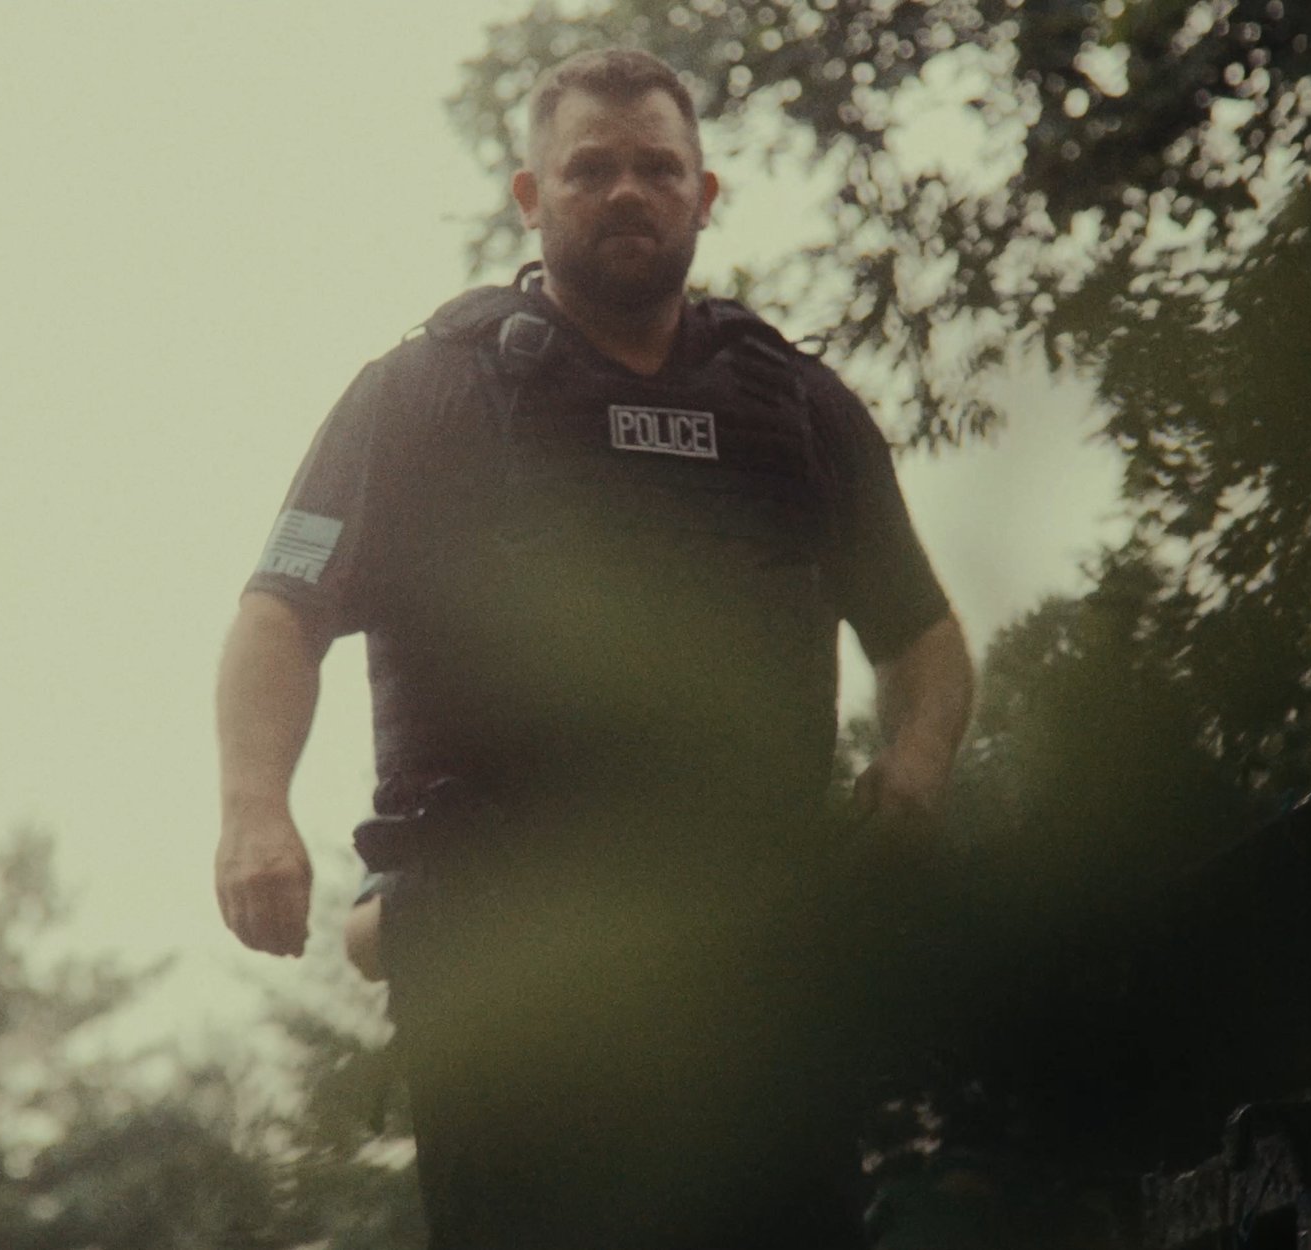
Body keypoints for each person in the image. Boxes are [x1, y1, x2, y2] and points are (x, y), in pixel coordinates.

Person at [215, 47, 973, 1250]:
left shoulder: (798, 405)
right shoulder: (420, 393)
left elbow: (923, 635)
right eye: (593, 169)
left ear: (703, 193)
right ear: (530, 193)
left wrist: (918, 764)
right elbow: (277, 612)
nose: (629, 192)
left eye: (658, 168)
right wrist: (256, 810)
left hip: (752, 963)